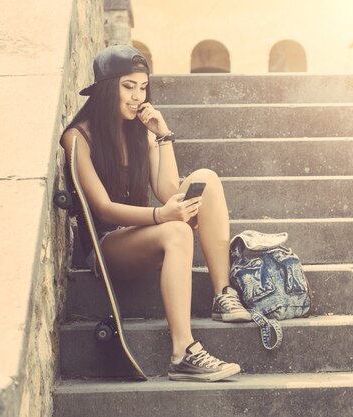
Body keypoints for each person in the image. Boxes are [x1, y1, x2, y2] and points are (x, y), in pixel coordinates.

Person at [60, 44, 251, 382]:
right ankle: (183, 353)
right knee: (176, 230)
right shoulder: (78, 137)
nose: (137, 96)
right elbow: (103, 207)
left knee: (206, 178)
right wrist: (162, 217)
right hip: (106, 246)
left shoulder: (140, 129)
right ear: (106, 89)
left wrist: (163, 136)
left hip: (143, 235)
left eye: (143, 87)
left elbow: (167, 192)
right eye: (128, 86)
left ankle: (223, 294)